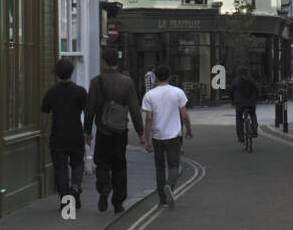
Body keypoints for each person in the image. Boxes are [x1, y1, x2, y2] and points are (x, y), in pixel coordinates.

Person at [85, 47, 145, 214]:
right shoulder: (127, 82)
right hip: (120, 131)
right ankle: (118, 202)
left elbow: (89, 109)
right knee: (119, 166)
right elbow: (134, 109)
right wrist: (141, 133)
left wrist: (87, 132)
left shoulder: (96, 82)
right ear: (117, 63)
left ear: (104, 62)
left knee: (102, 162)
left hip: (103, 131)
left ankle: (104, 186)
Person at [40, 58, 88, 209]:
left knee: (60, 168)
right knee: (78, 163)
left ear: (57, 74)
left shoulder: (51, 92)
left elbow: (44, 114)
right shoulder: (80, 91)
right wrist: (88, 132)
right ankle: (75, 187)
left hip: (58, 135)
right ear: (72, 73)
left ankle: (66, 201)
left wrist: (43, 133)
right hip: (75, 133)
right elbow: (88, 112)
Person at [142, 64, 193, 208]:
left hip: (158, 136)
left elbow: (148, 119)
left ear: (155, 77)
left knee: (159, 168)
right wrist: (189, 129)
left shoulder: (149, 95)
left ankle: (162, 199)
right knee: (174, 165)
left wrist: (146, 139)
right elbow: (184, 115)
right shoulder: (178, 92)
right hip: (174, 136)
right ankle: (170, 185)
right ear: (169, 76)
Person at [229, 68, 259, 145]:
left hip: (240, 103)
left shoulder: (236, 80)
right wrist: (256, 99)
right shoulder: (251, 79)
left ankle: (241, 137)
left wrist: (232, 100)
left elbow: (231, 91)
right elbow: (256, 89)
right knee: (252, 114)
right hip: (251, 102)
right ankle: (254, 128)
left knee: (239, 118)